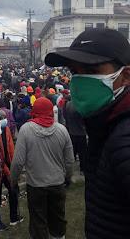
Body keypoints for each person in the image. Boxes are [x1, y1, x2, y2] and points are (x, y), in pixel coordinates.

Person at [44, 28, 130, 239]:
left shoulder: (125, 141)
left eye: (91, 69)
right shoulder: (105, 123)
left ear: (126, 76)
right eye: (75, 71)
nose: (81, 80)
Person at [11, 97, 74, 239]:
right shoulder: (62, 130)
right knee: (57, 221)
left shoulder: (26, 130)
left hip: (36, 185)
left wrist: (13, 181)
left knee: (38, 222)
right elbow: (69, 161)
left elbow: (17, 162)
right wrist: (67, 178)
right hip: (57, 183)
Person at [0, 110, 23, 231]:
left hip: (8, 165)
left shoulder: (5, 129)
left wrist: (13, 166)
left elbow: (10, 148)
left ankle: (14, 217)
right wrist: (6, 169)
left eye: (4, 117)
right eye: (1, 118)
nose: (4, 120)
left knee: (13, 190)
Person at [65, 101, 87, 175]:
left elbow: (65, 117)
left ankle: (70, 169)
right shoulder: (81, 105)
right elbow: (84, 120)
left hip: (71, 132)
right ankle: (82, 169)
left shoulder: (68, 104)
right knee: (82, 153)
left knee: (72, 152)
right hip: (81, 133)